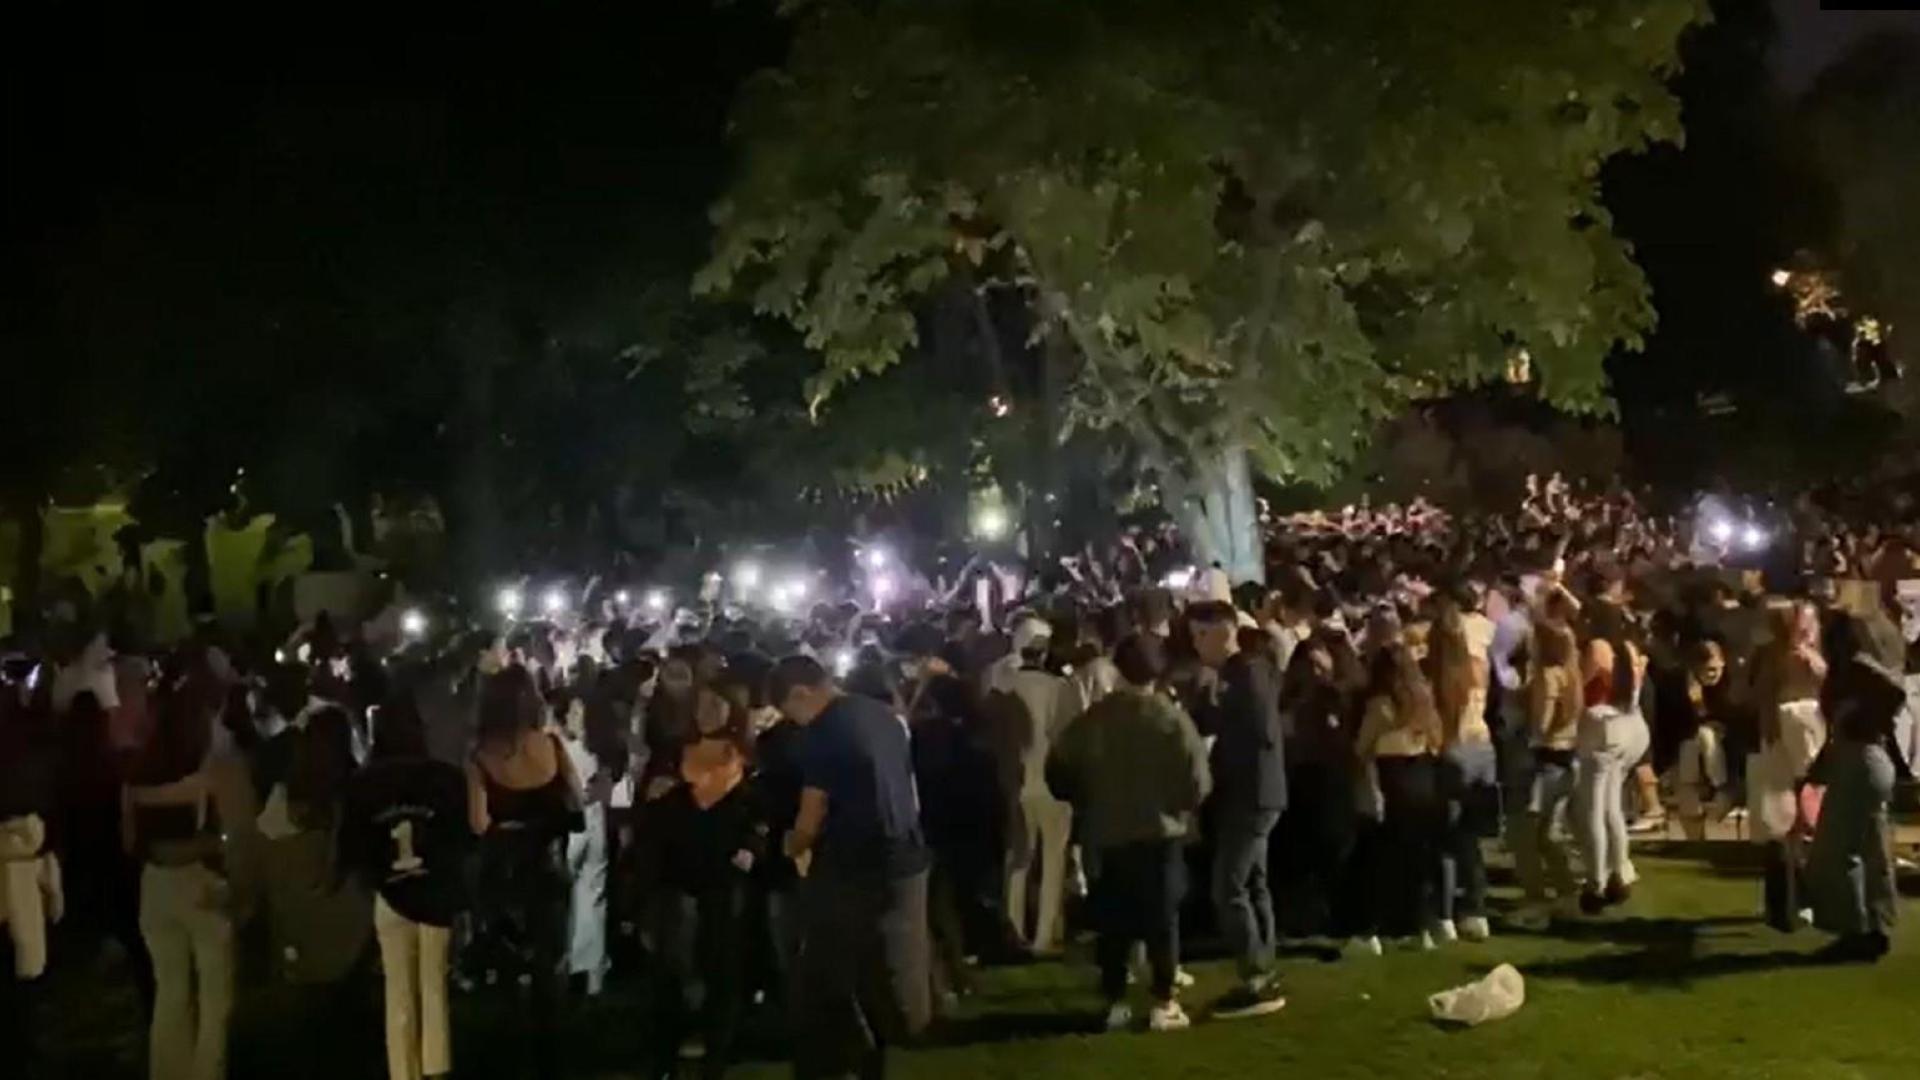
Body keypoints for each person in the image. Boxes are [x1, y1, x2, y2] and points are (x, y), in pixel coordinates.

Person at [769, 654, 931, 1080]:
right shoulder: (883, 715)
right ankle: (874, 1056)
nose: (796, 724)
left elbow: (811, 813)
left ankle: (832, 1064)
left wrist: (789, 846)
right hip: (902, 855)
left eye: (793, 713)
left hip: (849, 864)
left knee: (822, 975)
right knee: (873, 970)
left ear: (802, 694)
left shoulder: (823, 733)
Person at [1047, 634, 1210, 1033]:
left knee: (1113, 921)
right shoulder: (1170, 717)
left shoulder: (1094, 719)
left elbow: (1058, 770)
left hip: (1107, 831)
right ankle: (1163, 1000)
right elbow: (1198, 781)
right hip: (1160, 831)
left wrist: (1085, 800)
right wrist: (1176, 806)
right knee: (1162, 920)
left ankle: (1115, 999)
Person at [341, 690, 471, 1080]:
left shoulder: (365, 784)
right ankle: (436, 1067)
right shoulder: (443, 778)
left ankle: (404, 1071)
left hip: (389, 892)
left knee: (397, 987)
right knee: (433, 985)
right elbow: (459, 838)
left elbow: (354, 844)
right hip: (434, 891)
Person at [466, 665, 583, 1078]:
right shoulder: (551, 745)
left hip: (503, 875)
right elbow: (577, 799)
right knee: (550, 971)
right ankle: (553, 1060)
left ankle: (511, 1062)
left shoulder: (482, 756)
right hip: (548, 869)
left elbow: (478, 823)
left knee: (508, 976)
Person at [640, 700, 766, 1079]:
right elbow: (651, 811)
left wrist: (750, 848)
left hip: (722, 878)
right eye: (703, 705)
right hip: (677, 875)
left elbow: (759, 814)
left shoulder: (744, 762)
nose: (707, 713)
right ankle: (669, 1053)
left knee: (721, 969)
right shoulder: (672, 756)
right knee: (675, 970)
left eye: (717, 705)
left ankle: (715, 1054)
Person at [1183, 600, 1288, 1018]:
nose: (1195, 644)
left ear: (1222, 632)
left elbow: (1259, 730)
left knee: (1229, 887)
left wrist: (1221, 753)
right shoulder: (1239, 673)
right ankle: (1264, 968)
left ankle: (1257, 978)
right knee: (1253, 883)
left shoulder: (1246, 673)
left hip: (1250, 794)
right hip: (1259, 793)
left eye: (1199, 635)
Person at [124, 689, 236, 1080]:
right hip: (199, 883)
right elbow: (227, 834)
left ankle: (167, 1070)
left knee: (169, 990)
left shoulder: (136, 777)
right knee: (214, 996)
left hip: (153, 886)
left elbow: (129, 841)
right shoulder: (208, 776)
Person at [984, 613, 1080, 957]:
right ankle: (1044, 936)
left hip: (1016, 782)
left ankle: (1014, 928)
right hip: (1052, 785)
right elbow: (1069, 737)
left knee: (1018, 860)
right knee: (1053, 862)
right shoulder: (1059, 689)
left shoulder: (1003, 690)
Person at [1807, 616, 1902, 961]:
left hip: (1860, 759)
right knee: (1872, 850)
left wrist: (1864, 715)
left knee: (1837, 851)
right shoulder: (1851, 669)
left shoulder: (1857, 667)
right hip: (1865, 758)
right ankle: (1876, 927)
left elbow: (1893, 691)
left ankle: (1854, 930)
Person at [1353, 643, 1444, 952]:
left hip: (1392, 777)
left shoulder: (1381, 704)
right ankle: (1421, 926)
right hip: (1422, 775)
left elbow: (1362, 748)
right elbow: (1437, 740)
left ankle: (1372, 931)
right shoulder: (1424, 700)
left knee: (1382, 861)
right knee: (1417, 860)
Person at [1512, 589, 1584, 928]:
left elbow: (1540, 724)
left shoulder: (1547, 676)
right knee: (1549, 834)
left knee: (1525, 835)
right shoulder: (1573, 675)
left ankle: (1536, 900)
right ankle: (1568, 894)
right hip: (1568, 757)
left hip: (1544, 760)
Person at [1428, 595, 1497, 942]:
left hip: (1453, 751)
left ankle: (1444, 916)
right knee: (1469, 840)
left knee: (1445, 841)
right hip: (1482, 747)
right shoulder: (1477, 667)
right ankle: (1475, 910)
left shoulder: (1436, 674)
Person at [1572, 637, 1651, 913]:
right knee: (1612, 810)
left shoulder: (1597, 648)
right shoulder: (1628, 647)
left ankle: (1596, 881)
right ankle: (1619, 872)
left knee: (1594, 811)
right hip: (1627, 725)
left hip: (1601, 727)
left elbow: (1578, 691)